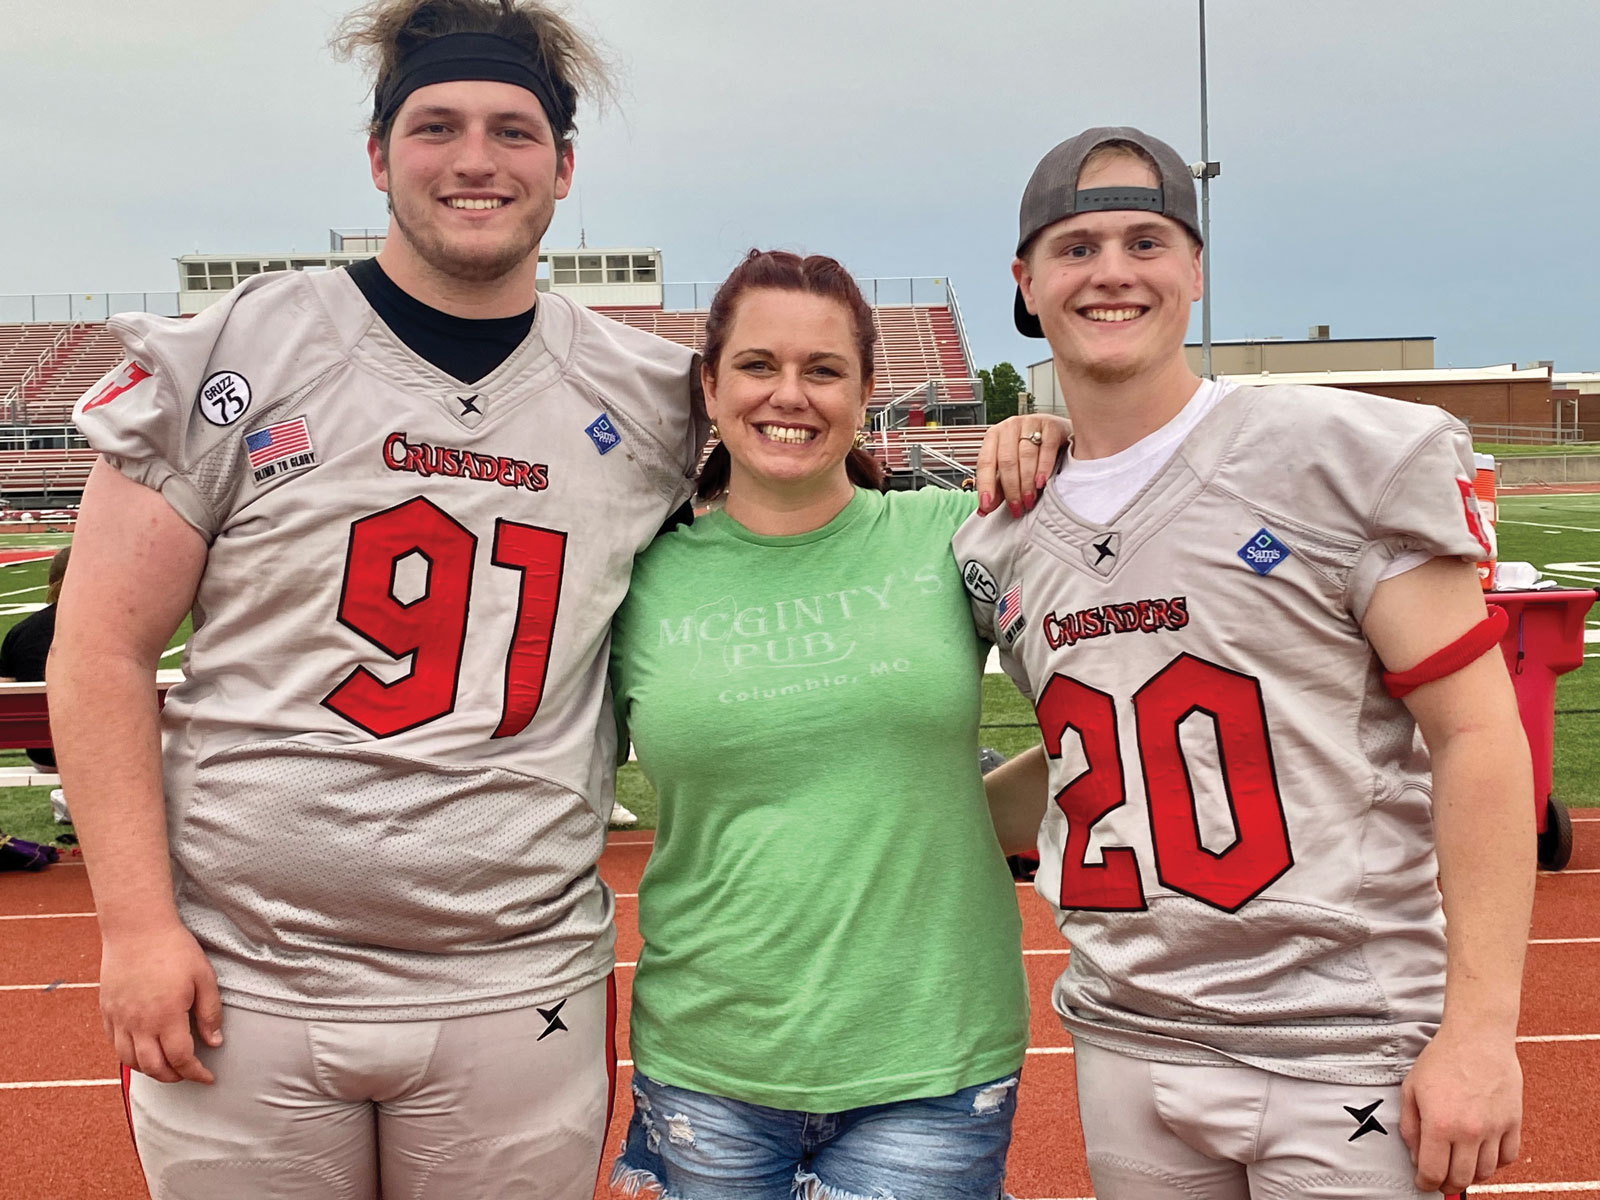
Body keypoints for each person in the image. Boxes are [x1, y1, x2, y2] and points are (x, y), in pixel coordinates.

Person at [47, 3, 705, 1197]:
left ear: (563, 166)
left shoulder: (654, 400)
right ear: (376, 152)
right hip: (247, 975)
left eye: (513, 131)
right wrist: (136, 926)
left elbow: (819, 512)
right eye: (435, 125)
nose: (472, 160)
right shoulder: (242, 351)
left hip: (515, 978)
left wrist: (1038, 438)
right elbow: (98, 648)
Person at [958, 126, 1534, 1200]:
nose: (1113, 271)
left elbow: (1478, 734)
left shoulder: (1338, 455)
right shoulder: (996, 534)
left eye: (1146, 240)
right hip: (1126, 1035)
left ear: (1196, 270)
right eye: (1075, 247)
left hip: (1342, 1037)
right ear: (1025, 284)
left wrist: (1482, 1031)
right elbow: (1100, 750)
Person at [606, 250, 1038, 1200]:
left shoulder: (953, 532)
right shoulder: (636, 574)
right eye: (758, 366)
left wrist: (1057, 437)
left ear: (867, 389)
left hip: (932, 1058)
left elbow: (1129, 667)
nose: (789, 395)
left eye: (824, 369)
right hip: (707, 1061)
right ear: (710, 385)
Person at [0, 545, 70, 770]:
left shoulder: (21, 632)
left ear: (51, 581)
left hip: (43, 754)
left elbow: (5, 690)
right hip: (100, 751)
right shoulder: (112, 628)